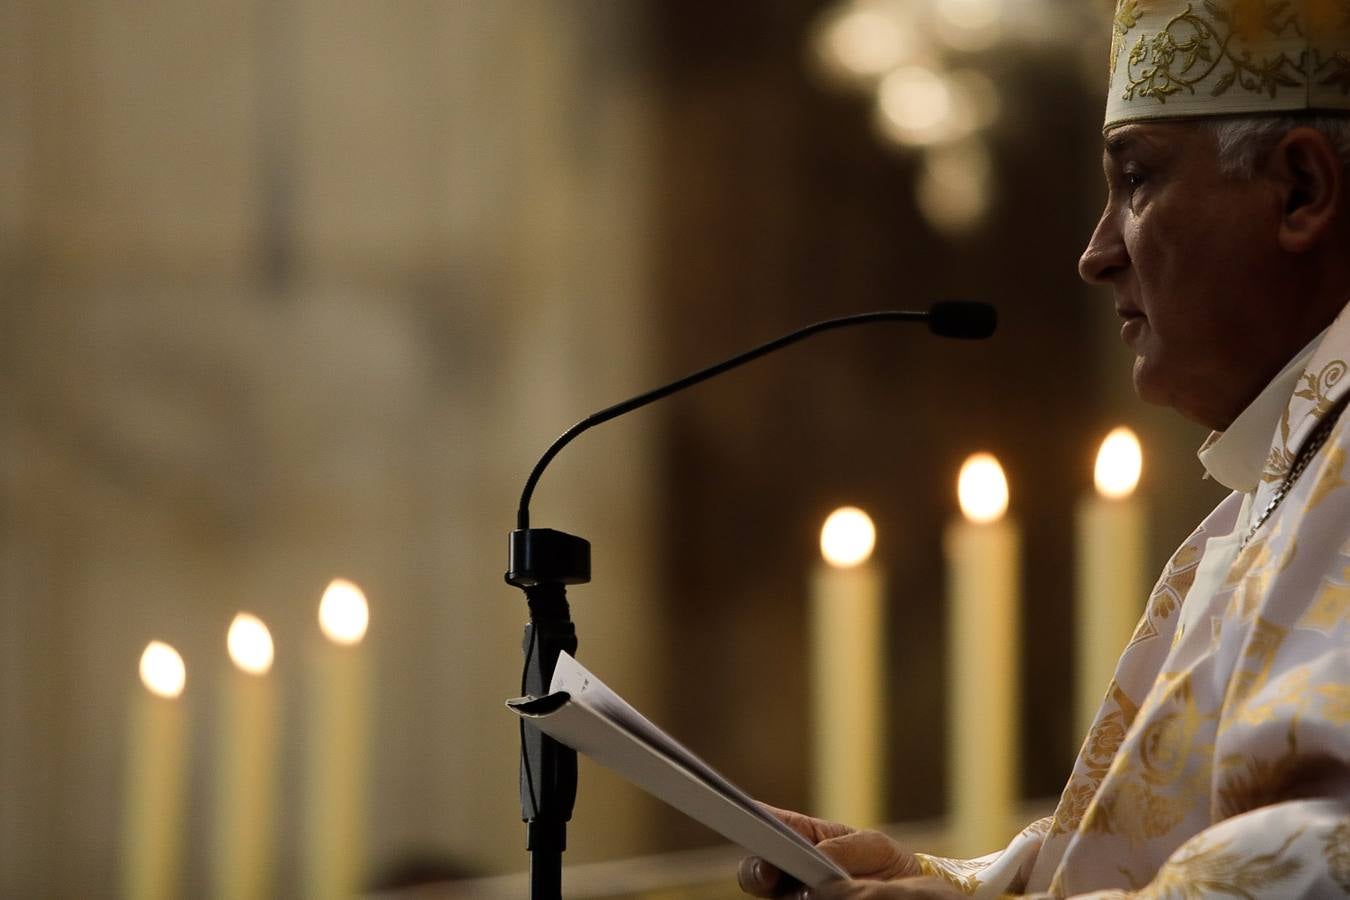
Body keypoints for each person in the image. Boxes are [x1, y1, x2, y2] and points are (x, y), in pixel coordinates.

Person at [739, 1, 1350, 896]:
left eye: (1136, 178)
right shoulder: (1293, 471)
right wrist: (952, 884)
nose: (1096, 253)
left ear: (1300, 191)